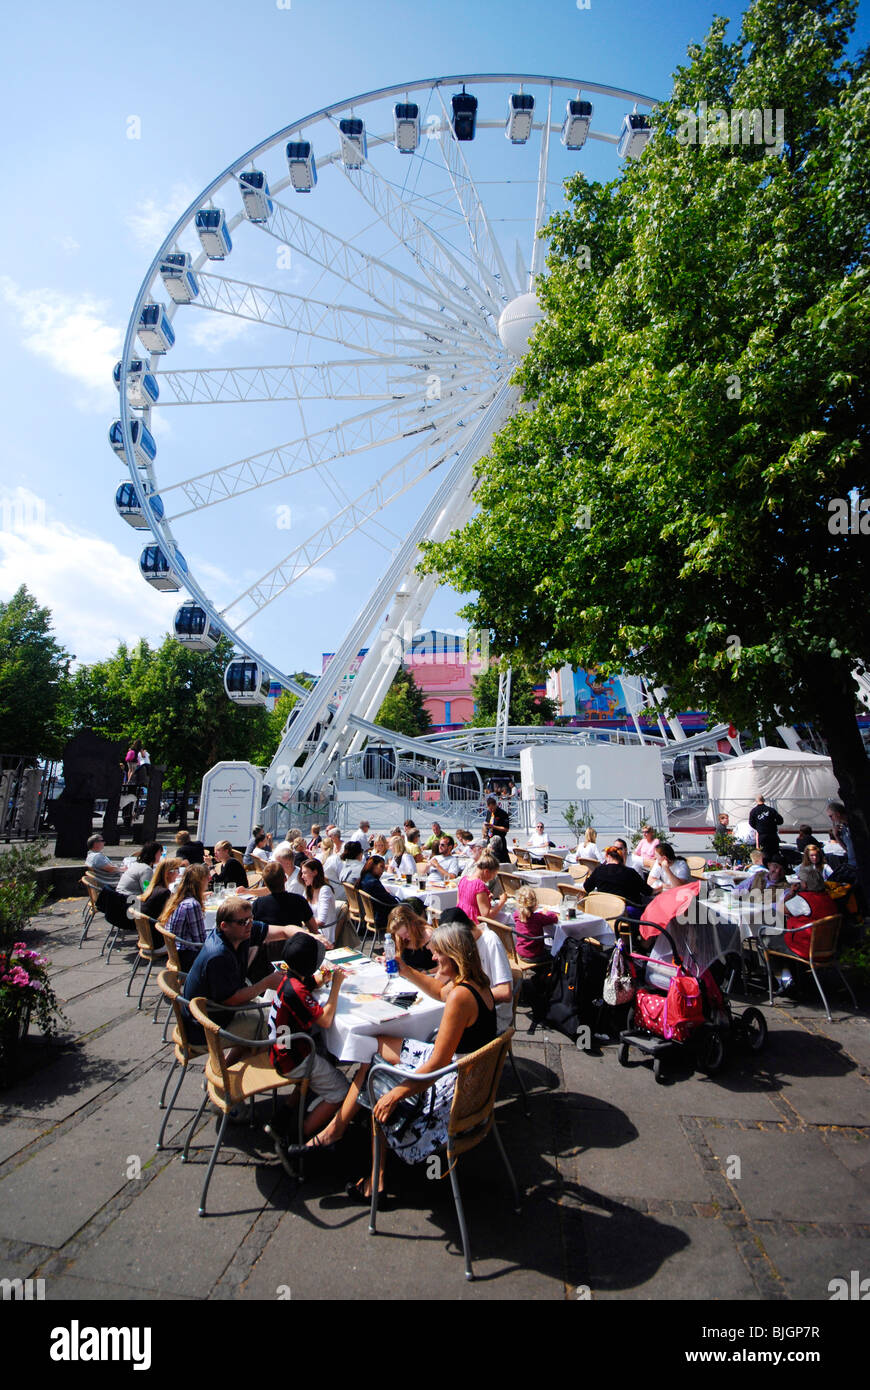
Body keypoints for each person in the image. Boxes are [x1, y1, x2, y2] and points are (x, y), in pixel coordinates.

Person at [294, 923, 498, 1201]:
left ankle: (373, 1173)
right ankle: (335, 1130)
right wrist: (405, 970)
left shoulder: (460, 997)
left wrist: (396, 1094)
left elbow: (437, 1063)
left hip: (455, 1088)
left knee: (377, 1076)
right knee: (373, 1050)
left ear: (454, 955)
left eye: (438, 954)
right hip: (474, 1081)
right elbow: (439, 992)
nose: (433, 959)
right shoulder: (475, 982)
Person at [181, 897, 297, 1057]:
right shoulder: (218, 955)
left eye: (251, 919)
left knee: (268, 1011)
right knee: (275, 1023)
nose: (249, 925)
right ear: (224, 926)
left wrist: (309, 936)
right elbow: (230, 999)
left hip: (213, 1012)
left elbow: (283, 930)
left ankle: (225, 1073)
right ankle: (277, 1068)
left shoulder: (239, 933)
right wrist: (265, 983)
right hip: (204, 1027)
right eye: (243, 922)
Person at [267, 935, 350, 1141]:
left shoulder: (289, 978)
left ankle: (282, 1117)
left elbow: (306, 985)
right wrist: (336, 986)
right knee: (341, 1091)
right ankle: (299, 1135)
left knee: (324, 1052)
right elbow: (326, 1020)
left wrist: (324, 978)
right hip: (294, 1058)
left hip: (280, 1050)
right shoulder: (296, 991)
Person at [159, 863, 210, 970]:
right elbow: (200, 942)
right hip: (186, 957)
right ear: (200, 881)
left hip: (176, 953)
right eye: (207, 878)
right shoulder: (192, 904)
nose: (209, 881)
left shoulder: (178, 898)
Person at [254, 860, 325, 935]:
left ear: (265, 883)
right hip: (295, 943)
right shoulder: (299, 901)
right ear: (285, 878)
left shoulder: (257, 904)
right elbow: (314, 930)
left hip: (269, 945)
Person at [85, 833, 133, 932]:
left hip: (105, 883)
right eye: (102, 841)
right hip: (110, 886)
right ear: (96, 844)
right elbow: (110, 869)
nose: (104, 843)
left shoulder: (91, 855)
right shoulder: (97, 857)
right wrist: (122, 869)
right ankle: (132, 919)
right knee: (136, 889)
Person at [583, 845, 650, 906]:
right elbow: (647, 891)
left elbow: (587, 887)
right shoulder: (630, 872)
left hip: (604, 910)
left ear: (608, 857)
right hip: (626, 913)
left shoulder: (598, 871)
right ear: (621, 858)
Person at [456, 851, 508, 925]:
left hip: (461, 921)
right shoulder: (479, 886)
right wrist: (501, 902)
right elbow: (487, 916)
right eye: (494, 875)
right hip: (473, 925)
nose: (492, 878)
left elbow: (460, 904)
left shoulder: (463, 880)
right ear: (486, 872)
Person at [299, 858, 338, 944]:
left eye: (305, 873)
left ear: (315, 872)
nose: (302, 876)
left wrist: (302, 921)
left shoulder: (325, 890)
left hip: (324, 937)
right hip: (311, 933)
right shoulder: (308, 890)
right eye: (302, 873)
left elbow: (321, 921)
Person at [513, 886, 556, 963]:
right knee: (556, 952)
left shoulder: (517, 915)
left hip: (520, 952)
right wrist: (546, 912)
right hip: (535, 955)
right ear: (535, 903)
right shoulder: (538, 918)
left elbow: (527, 916)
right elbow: (554, 918)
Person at [358, 855, 401, 931]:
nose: (382, 870)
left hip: (371, 914)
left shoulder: (364, 878)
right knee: (412, 903)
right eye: (381, 867)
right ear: (373, 866)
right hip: (381, 918)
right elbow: (392, 902)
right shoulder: (373, 882)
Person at [387, 903, 435, 971]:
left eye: (406, 933)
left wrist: (426, 973)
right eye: (400, 935)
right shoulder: (400, 936)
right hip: (409, 976)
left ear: (413, 924)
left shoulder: (428, 935)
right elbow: (399, 959)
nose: (403, 937)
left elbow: (444, 967)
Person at [140, 856, 184, 921]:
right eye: (177, 870)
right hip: (156, 928)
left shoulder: (153, 888)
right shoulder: (164, 892)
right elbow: (169, 915)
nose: (179, 873)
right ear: (167, 873)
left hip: (149, 926)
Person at [748, 795, 784, 860]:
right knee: (775, 853)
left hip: (762, 836)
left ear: (756, 801)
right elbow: (780, 820)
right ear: (764, 800)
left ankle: (766, 867)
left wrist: (759, 827)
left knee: (764, 853)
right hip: (772, 835)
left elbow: (751, 823)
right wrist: (773, 824)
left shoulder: (753, 811)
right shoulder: (771, 810)